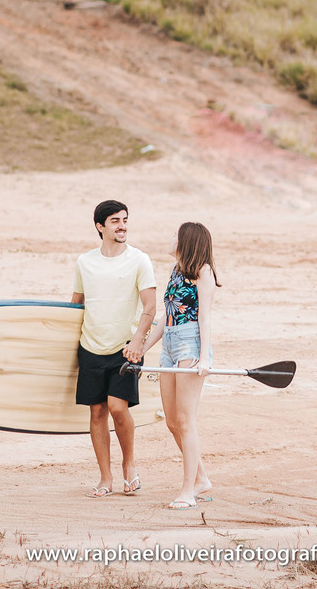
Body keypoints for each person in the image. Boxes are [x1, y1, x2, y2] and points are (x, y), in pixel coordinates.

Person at [72, 200, 156, 499]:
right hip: (91, 345)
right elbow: (76, 304)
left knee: (118, 408)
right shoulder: (85, 262)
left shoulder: (139, 260)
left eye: (125, 220)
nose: (122, 226)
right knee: (97, 411)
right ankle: (105, 478)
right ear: (100, 226)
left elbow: (150, 306)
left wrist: (138, 341)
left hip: (126, 348)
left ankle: (128, 465)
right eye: (115, 221)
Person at [132, 222, 219, 510]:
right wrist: (142, 348)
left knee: (185, 420)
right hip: (170, 344)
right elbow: (165, 317)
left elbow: (204, 317)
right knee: (171, 421)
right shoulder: (177, 270)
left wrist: (204, 358)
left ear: (187, 240)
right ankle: (201, 479)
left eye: (175, 235)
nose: (171, 239)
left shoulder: (203, 271)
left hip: (189, 345)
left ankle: (188, 491)